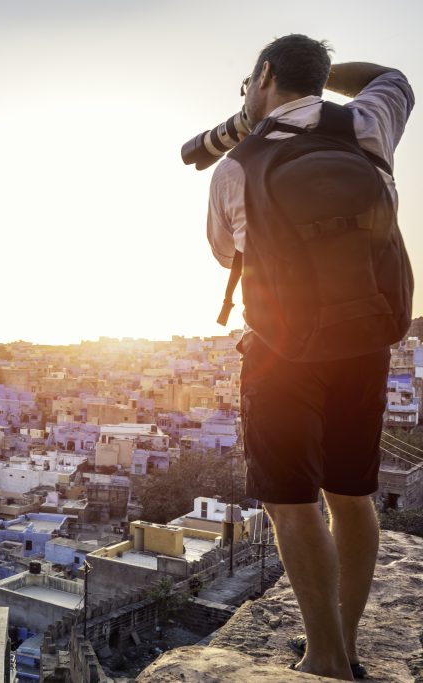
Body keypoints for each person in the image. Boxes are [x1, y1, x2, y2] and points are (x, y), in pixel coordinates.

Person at [206, 35, 414, 680]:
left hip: (281, 352)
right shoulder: (367, 126)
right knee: (353, 495)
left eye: (249, 83)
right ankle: (346, 644)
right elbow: (394, 78)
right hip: (365, 343)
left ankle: (322, 657)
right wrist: (326, 78)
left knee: (292, 503)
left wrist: (248, 123)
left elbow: (224, 253)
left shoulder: (236, 166)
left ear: (264, 74)